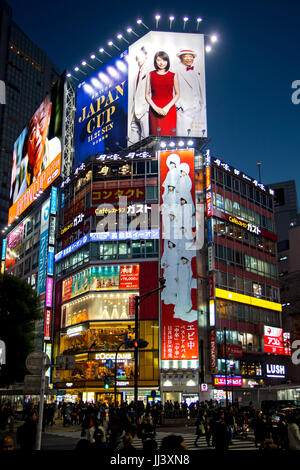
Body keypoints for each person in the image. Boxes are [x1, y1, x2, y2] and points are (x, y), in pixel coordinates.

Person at [145, 51, 179, 136]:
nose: (161, 63)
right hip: (154, 110)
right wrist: (156, 108)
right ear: (155, 61)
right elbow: (146, 94)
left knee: (170, 137)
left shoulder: (173, 75)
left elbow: (178, 94)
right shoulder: (150, 74)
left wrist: (167, 108)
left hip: (169, 110)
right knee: (155, 137)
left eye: (164, 60)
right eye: (159, 60)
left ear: (168, 62)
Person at [175, 49, 206, 137]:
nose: (189, 59)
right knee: (183, 138)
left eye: (191, 56)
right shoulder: (176, 70)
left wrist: (201, 105)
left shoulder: (197, 71)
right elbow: (172, 87)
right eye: (186, 56)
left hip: (197, 109)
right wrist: (178, 105)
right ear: (181, 58)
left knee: (196, 138)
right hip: (184, 109)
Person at [130, 46, 151, 143]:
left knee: (145, 137)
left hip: (145, 108)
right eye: (137, 58)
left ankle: (146, 156)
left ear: (146, 56)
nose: (139, 60)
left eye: (140, 57)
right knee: (133, 140)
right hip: (135, 110)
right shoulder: (136, 74)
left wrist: (147, 107)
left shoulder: (150, 69)